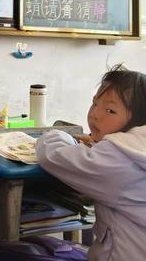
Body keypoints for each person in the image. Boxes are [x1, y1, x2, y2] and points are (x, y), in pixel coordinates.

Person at [35, 64, 146, 261]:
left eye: (110, 110)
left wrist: (56, 134)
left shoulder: (116, 158)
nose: (95, 114)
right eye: (95, 103)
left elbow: (52, 155)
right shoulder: (137, 145)